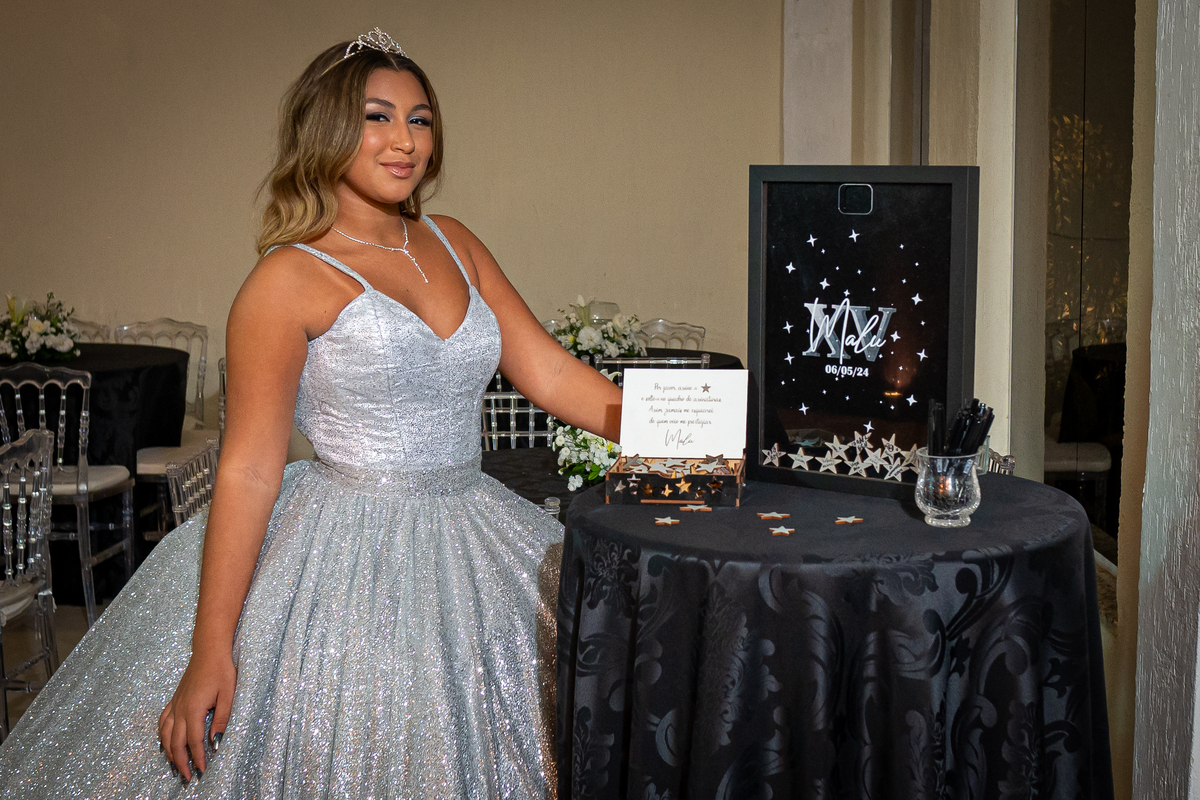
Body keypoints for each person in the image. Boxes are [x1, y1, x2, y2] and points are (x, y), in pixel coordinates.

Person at [0, 28, 620, 798]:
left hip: (474, 521)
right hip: (346, 554)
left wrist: (678, 429)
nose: (404, 140)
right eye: (377, 118)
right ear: (327, 130)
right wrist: (211, 648)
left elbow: (550, 372)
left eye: (420, 120)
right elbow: (250, 468)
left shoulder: (456, 243)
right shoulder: (286, 279)